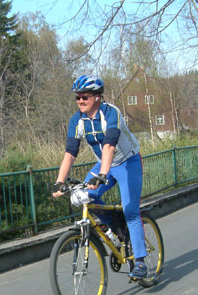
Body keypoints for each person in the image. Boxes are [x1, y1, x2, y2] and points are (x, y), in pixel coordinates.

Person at [52, 74, 148, 279]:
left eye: (84, 97)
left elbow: (109, 145)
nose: (80, 101)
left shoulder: (111, 113)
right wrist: (59, 181)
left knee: (131, 210)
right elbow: (70, 153)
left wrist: (102, 174)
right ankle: (115, 225)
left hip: (127, 162)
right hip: (105, 164)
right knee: (81, 197)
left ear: (97, 97)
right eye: (77, 97)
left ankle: (140, 261)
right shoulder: (77, 120)